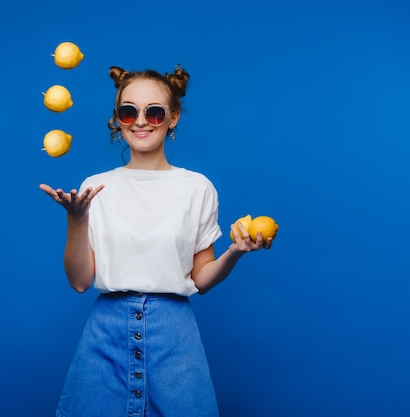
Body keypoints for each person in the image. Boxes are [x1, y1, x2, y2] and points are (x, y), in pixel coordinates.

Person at [40, 64, 273, 417]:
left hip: (175, 338)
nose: (141, 121)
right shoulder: (96, 186)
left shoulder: (197, 188)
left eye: (155, 112)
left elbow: (201, 279)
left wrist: (235, 252)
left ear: (173, 117)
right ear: (118, 119)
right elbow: (79, 281)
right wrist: (77, 218)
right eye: (128, 111)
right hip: (105, 335)